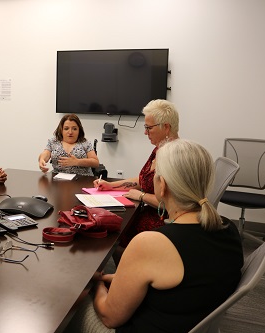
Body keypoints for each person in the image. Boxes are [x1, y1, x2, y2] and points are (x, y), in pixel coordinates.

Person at [68, 139, 244, 333]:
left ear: (163, 186)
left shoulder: (152, 244)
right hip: (190, 321)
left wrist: (96, 283)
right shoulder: (228, 229)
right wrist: (111, 277)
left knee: (70, 304)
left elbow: (110, 317)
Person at [93, 99, 179, 261]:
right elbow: (143, 179)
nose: (145, 132)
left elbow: (168, 204)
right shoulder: (159, 149)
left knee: (113, 234)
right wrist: (111, 185)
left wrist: (140, 196)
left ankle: (124, 275)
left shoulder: (172, 157)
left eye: (149, 128)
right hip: (149, 212)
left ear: (166, 127)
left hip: (162, 221)